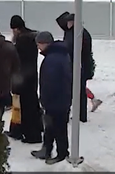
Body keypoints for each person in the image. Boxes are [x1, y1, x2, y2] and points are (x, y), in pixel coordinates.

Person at [31, 31, 72, 165]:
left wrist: (45, 100)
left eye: (39, 45)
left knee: (58, 127)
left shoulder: (52, 59)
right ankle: (46, 149)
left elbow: (50, 82)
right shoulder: (59, 55)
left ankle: (62, 153)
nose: (38, 48)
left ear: (44, 43)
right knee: (50, 126)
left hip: (56, 100)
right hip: (60, 98)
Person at [6, 15, 43, 144]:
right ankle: (20, 130)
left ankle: (31, 135)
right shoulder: (31, 38)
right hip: (31, 77)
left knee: (25, 108)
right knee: (29, 106)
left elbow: (17, 60)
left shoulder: (22, 41)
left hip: (22, 79)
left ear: (16, 29)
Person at [56, 12, 99, 121]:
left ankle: (79, 115)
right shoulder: (78, 32)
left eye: (69, 22)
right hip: (80, 66)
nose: (67, 24)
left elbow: (70, 48)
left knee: (77, 91)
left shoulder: (76, 33)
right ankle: (80, 114)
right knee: (79, 91)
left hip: (78, 66)